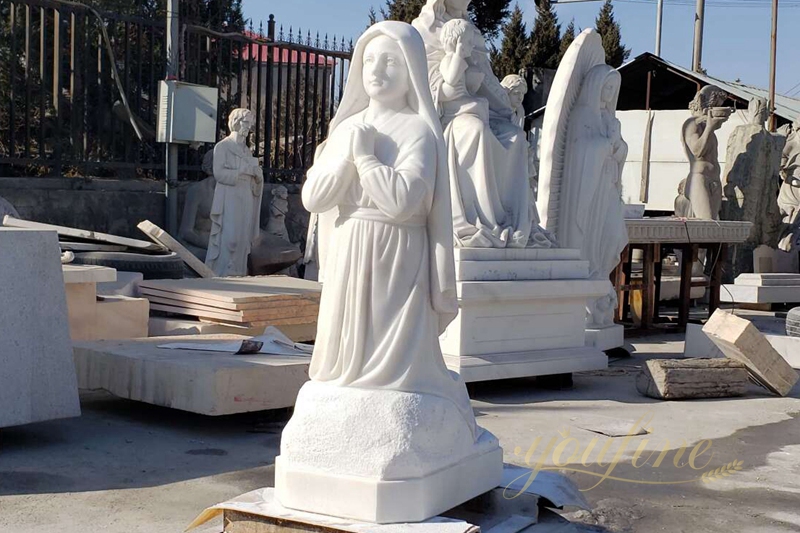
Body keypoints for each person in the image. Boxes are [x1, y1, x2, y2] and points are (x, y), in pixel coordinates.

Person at [300, 20, 475, 426]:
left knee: (389, 352)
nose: (377, 70)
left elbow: (403, 201)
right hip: (350, 245)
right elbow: (314, 197)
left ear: (411, 69)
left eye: (391, 61)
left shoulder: (418, 132)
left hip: (396, 251)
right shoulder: (345, 128)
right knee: (346, 355)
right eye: (370, 60)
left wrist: (365, 160)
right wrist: (347, 156)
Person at [413, 0, 538, 248]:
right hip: (443, 116)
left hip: (476, 108)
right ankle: (480, 221)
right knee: (474, 132)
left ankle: (511, 222)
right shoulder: (424, 29)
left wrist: (502, 102)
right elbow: (424, 83)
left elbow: (488, 83)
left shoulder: (471, 32)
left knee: (514, 137)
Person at [560, 65, 628, 326]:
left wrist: (618, 145)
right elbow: (578, 151)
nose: (609, 94)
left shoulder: (612, 120)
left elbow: (619, 152)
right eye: (606, 87)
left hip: (607, 185)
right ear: (595, 87)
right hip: (589, 190)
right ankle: (589, 282)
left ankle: (600, 275)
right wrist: (605, 145)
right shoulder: (582, 116)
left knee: (613, 235)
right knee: (593, 234)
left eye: (613, 89)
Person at [205, 109, 263, 277]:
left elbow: (254, 179)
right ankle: (222, 273)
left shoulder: (246, 151)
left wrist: (258, 178)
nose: (249, 127)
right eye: (246, 123)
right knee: (230, 238)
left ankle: (238, 272)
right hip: (229, 196)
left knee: (243, 239)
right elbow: (219, 173)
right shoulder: (223, 147)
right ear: (236, 123)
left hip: (245, 195)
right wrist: (242, 170)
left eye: (250, 124)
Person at [680, 85, 731, 220]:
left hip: (714, 179)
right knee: (707, 223)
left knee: (714, 223)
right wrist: (709, 127)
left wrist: (709, 128)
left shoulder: (710, 132)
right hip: (700, 178)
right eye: (716, 106)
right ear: (708, 108)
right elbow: (697, 151)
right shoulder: (691, 124)